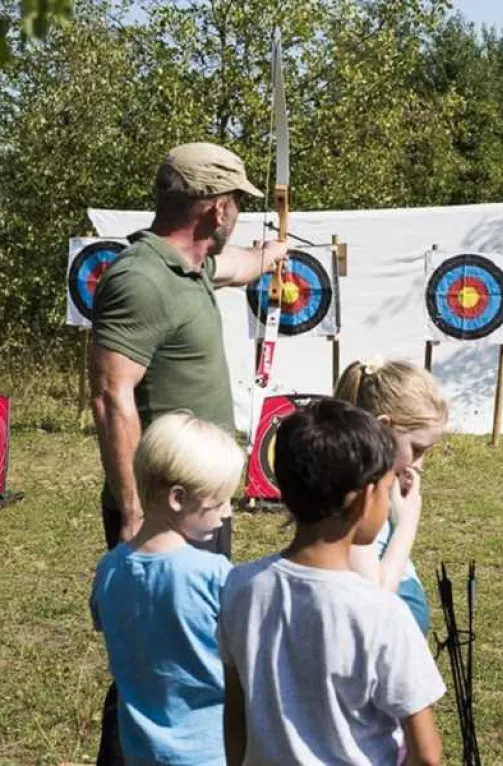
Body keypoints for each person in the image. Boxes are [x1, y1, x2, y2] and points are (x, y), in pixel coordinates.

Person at [89, 141, 286, 765]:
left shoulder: (189, 268)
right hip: (160, 506)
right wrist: (133, 512)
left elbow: (237, 268)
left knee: (196, 654)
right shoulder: (142, 278)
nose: (235, 218)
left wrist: (275, 252)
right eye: (235, 206)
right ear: (216, 210)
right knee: (151, 664)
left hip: (196, 496)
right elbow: (110, 397)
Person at [218, 398, 445, 765]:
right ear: (365, 498)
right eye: (387, 488)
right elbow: (428, 756)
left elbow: (235, 716)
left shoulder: (239, 588)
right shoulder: (384, 614)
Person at [90, 412, 245, 766]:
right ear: (178, 498)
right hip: (210, 754)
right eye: (218, 501)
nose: (225, 514)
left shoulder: (109, 569)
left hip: (137, 752)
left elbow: (108, 625)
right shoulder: (214, 575)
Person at [334, 358, 448, 635]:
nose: (419, 465)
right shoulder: (357, 494)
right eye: (417, 449)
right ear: (382, 428)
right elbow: (376, 599)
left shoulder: (375, 486)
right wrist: (407, 523)